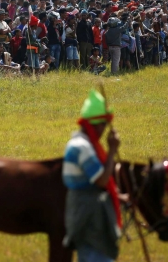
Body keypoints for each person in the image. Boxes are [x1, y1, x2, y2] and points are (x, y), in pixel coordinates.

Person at [63, 89, 122, 262]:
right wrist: (112, 151)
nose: (104, 129)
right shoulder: (82, 147)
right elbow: (102, 180)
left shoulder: (82, 143)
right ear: (94, 125)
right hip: (89, 220)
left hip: (88, 213)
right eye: (103, 124)